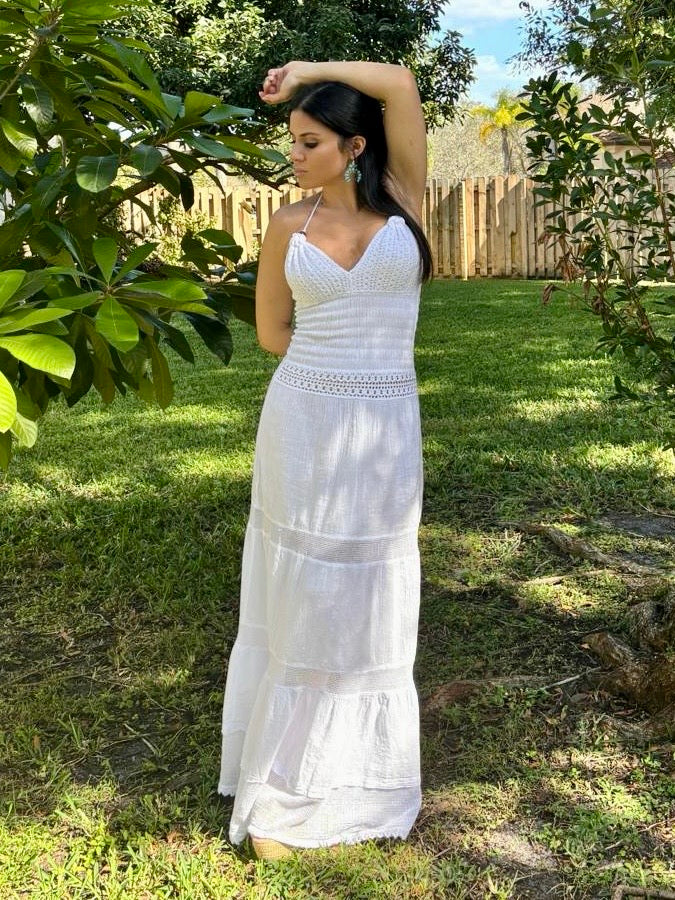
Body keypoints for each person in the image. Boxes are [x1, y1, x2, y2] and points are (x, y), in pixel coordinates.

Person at [218, 60, 432, 861]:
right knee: (302, 591)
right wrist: (333, 363)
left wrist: (304, 71)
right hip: (304, 422)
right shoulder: (286, 224)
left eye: (309, 143)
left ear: (353, 145)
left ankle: (362, 783)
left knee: (370, 590)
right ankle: (281, 795)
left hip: (384, 431)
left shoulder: (405, 199)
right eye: (291, 145)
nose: (294, 157)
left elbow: (401, 85)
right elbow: (274, 333)